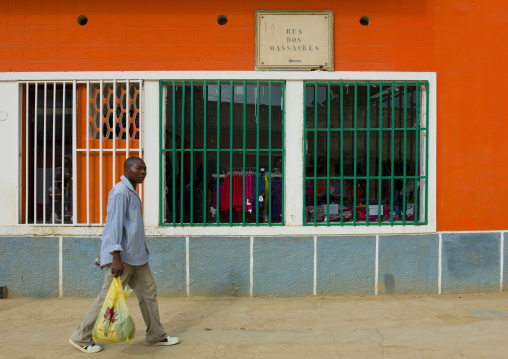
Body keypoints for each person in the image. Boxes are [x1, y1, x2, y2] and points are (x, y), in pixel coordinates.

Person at [69, 157, 179, 353]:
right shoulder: (120, 192)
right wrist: (114, 256)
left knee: (148, 293)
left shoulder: (131, 191)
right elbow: (114, 225)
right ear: (127, 170)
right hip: (124, 258)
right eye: (139, 168)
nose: (143, 172)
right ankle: (81, 336)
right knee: (107, 297)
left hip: (138, 257)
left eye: (145, 169)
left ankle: (156, 335)